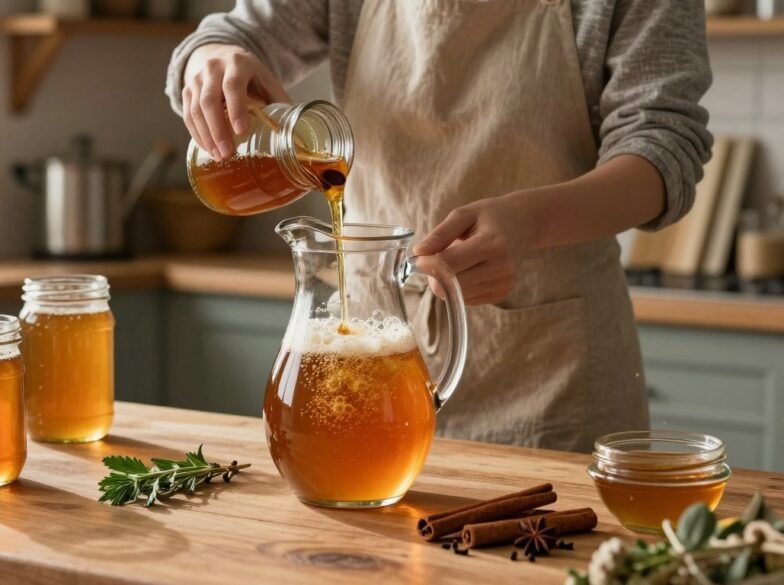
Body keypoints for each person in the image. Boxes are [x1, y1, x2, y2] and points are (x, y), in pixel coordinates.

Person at [165, 1, 712, 452]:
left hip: (551, 381)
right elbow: (236, 33)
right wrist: (214, 58)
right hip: (368, 372)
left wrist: (528, 223)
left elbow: (663, 149)